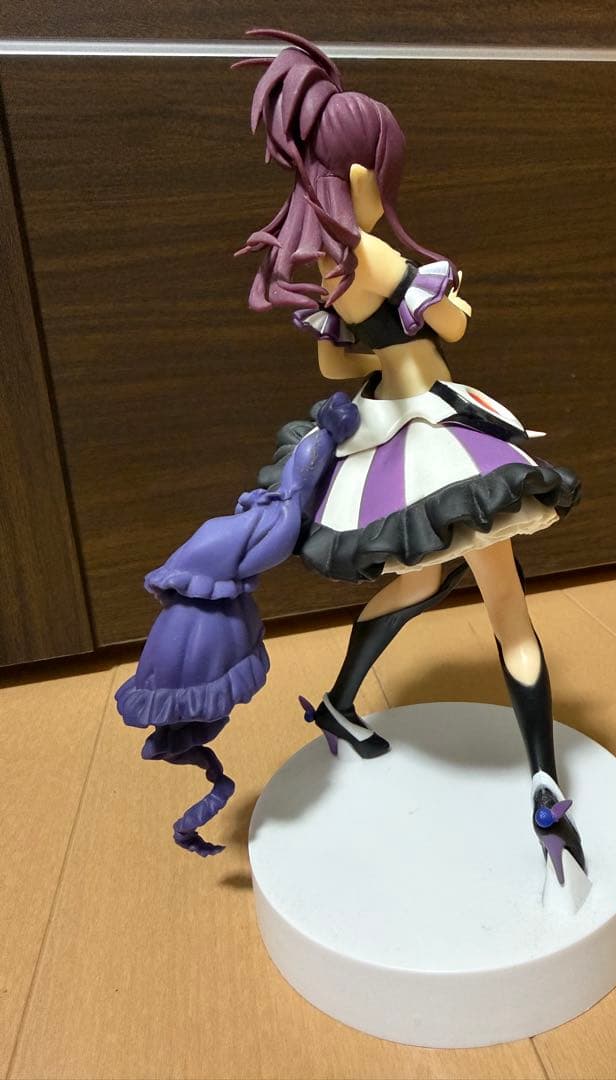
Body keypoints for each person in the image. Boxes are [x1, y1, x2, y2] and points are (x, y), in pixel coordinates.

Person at [118, 29, 587, 904]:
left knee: (422, 578)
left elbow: (336, 363)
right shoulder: (381, 258)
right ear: (367, 174)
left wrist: (370, 326)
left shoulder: (331, 266)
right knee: (507, 610)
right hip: (435, 430)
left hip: (381, 426)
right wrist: (428, 299)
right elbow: (456, 328)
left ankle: (337, 702)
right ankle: (542, 783)